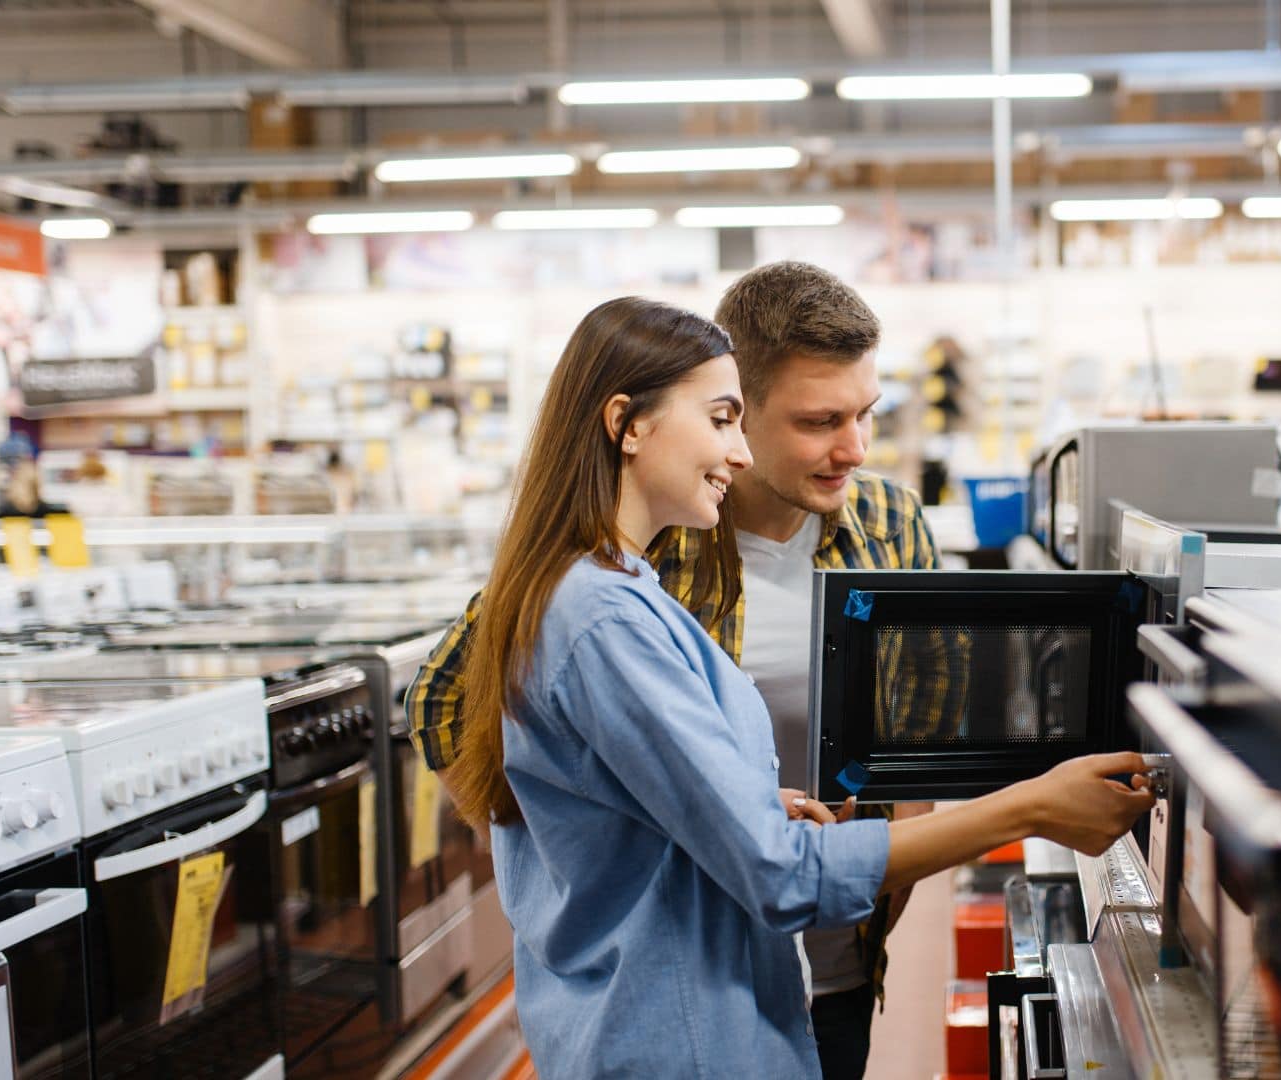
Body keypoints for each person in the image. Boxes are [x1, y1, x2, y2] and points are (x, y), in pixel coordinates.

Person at [448, 295, 1154, 1076]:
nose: (741, 450)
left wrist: (729, 807)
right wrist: (1034, 806)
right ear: (629, 424)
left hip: (776, 977)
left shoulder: (629, 586)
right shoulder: (602, 615)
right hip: (677, 1022)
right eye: (725, 419)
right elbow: (776, 872)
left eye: (865, 416)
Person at [408, 261, 955, 1078]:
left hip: (835, 962)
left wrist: (890, 865)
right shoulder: (642, 540)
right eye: (819, 421)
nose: (854, 447)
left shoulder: (887, 523)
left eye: (866, 414)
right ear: (740, 406)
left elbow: (922, 721)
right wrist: (579, 860)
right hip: (675, 992)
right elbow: (444, 702)